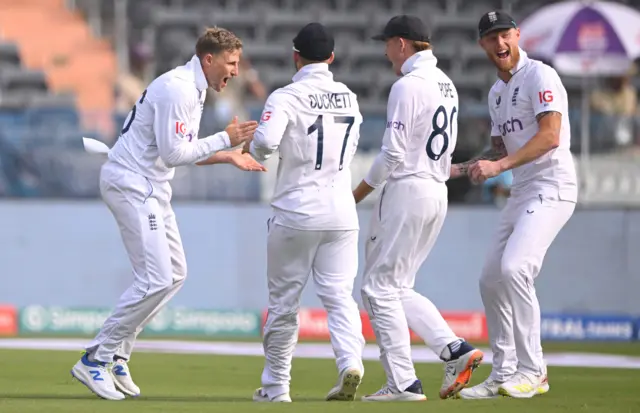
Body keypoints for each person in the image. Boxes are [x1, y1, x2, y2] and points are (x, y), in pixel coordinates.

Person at [70, 27, 265, 401]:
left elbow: (174, 149)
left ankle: (118, 354)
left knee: (174, 273)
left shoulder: (193, 87)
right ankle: (96, 357)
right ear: (209, 59)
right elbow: (175, 154)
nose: (236, 71)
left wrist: (224, 154)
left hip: (151, 185)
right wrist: (226, 138)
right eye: (232, 62)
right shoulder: (178, 88)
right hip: (132, 182)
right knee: (156, 277)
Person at [352, 15, 484, 402]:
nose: (386, 52)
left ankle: (403, 383)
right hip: (435, 190)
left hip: (408, 190)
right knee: (397, 287)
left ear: (403, 44)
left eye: (388, 43)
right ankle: (454, 350)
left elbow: (392, 152)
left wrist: (357, 193)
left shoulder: (407, 85)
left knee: (376, 289)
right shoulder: (447, 84)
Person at [454, 11, 577, 399]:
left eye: (505, 34)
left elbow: (550, 136)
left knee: (515, 268)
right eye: (491, 38)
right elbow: (498, 151)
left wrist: (499, 166)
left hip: (553, 185)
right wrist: (458, 168)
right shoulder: (496, 94)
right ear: (482, 45)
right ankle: (504, 372)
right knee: (490, 279)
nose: (500, 44)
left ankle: (533, 370)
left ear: (517, 35)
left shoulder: (541, 75)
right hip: (524, 190)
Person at [244, 22, 366, 403]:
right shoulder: (348, 96)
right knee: (340, 296)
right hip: (342, 211)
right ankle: (351, 361)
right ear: (331, 57)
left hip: (297, 210)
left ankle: (277, 386)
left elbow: (264, 141)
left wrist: (260, 154)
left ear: (295, 56)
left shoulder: (287, 96)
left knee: (284, 304)